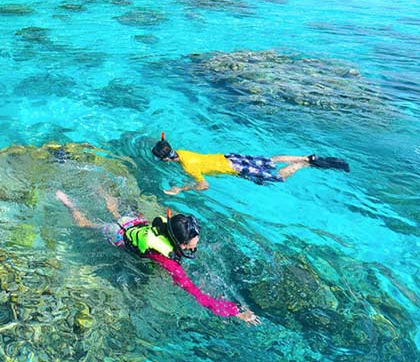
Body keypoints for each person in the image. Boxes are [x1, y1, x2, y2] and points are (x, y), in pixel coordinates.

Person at [55, 188, 260, 324]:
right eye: (192, 244)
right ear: (180, 244)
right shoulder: (165, 259)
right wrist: (234, 311)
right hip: (117, 234)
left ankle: (102, 193)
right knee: (85, 225)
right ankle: (68, 203)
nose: (196, 242)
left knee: (119, 215)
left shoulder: (171, 228)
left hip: (133, 223)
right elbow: (195, 294)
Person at [151, 133, 349, 195]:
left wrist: (182, 188)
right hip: (229, 157)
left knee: (278, 177)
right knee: (270, 160)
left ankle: (304, 164)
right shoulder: (183, 152)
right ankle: (304, 157)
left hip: (233, 168)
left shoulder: (187, 166)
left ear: (166, 159)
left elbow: (204, 185)